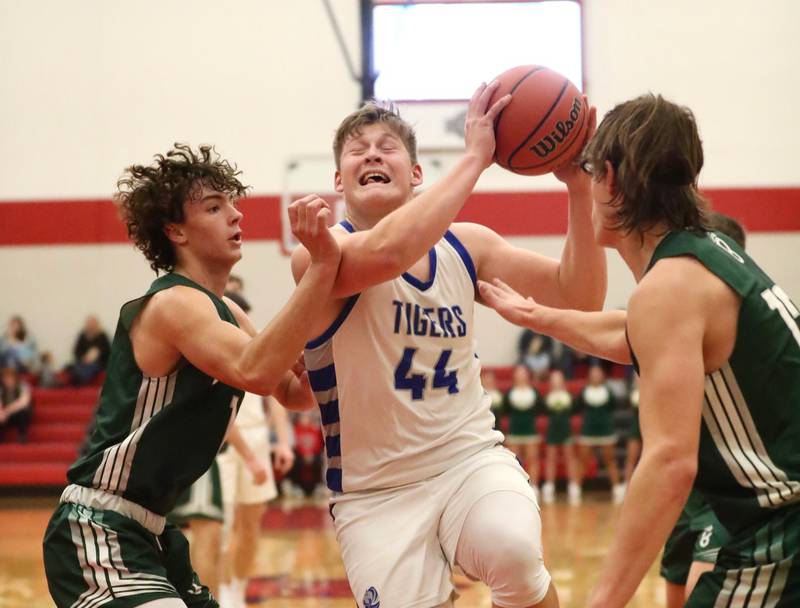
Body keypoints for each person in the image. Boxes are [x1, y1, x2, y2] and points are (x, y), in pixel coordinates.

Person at [290, 81, 606, 608]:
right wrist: (476, 160)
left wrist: (576, 186)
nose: (371, 152)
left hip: (467, 460)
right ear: (339, 181)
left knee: (514, 552)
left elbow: (580, 297)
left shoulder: (468, 244)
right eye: (357, 149)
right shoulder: (322, 255)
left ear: (416, 174)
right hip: (375, 492)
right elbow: (389, 251)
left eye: (387, 146)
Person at [477, 93, 800, 607]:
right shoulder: (704, 256)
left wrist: (603, 600)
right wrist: (537, 316)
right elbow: (636, 335)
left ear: (609, 178)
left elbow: (671, 463)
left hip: (781, 532)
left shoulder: (669, 287)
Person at [42, 143, 341, 608]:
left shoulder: (231, 314)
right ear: (175, 230)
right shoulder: (173, 303)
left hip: (154, 530)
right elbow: (256, 370)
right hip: (98, 523)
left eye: (234, 204)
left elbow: (290, 391)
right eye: (215, 207)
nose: (237, 217)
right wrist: (321, 268)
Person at [217, 393, 295, 608]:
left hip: (256, 435)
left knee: (250, 527)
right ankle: (222, 592)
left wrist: (283, 441)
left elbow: (276, 392)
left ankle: (238, 590)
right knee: (221, 526)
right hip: (221, 436)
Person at [574, 364, 623, 504]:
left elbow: (613, 406)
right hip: (588, 431)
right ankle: (576, 488)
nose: (595, 376)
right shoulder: (584, 392)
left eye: (598, 373)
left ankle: (617, 488)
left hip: (605, 431)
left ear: (602, 376)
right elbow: (577, 407)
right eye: (593, 373)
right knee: (583, 461)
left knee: (610, 460)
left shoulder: (608, 392)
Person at [540, 369, 578, 505]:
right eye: (553, 379)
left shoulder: (569, 397)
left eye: (558, 379)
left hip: (565, 430)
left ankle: (573, 487)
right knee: (551, 458)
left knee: (570, 458)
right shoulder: (547, 398)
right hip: (552, 430)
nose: (556, 382)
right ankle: (549, 487)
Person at [503, 364, 542, 494]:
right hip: (514, 431)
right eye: (518, 373)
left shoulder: (534, 393)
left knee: (532, 459)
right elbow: (505, 411)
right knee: (515, 462)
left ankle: (534, 486)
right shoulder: (509, 393)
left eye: (523, 372)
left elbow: (540, 410)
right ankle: (517, 487)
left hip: (530, 431)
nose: (520, 375)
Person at [67, 314, 111, 385]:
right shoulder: (82, 336)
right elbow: (77, 351)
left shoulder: (102, 336)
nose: (91, 326)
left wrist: (97, 355)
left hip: (98, 363)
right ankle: (76, 378)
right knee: (75, 366)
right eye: (90, 323)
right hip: (83, 362)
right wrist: (84, 357)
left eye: (93, 323)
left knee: (90, 367)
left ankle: (81, 380)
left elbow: (108, 352)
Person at [0, 366, 33, 443]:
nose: (7, 380)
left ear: (15, 378)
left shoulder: (23, 386)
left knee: (23, 412)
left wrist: (6, 411)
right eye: (5, 378)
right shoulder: (1, 388)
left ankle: (22, 435)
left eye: (10, 378)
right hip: (5, 415)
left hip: (18, 413)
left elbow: (23, 402)